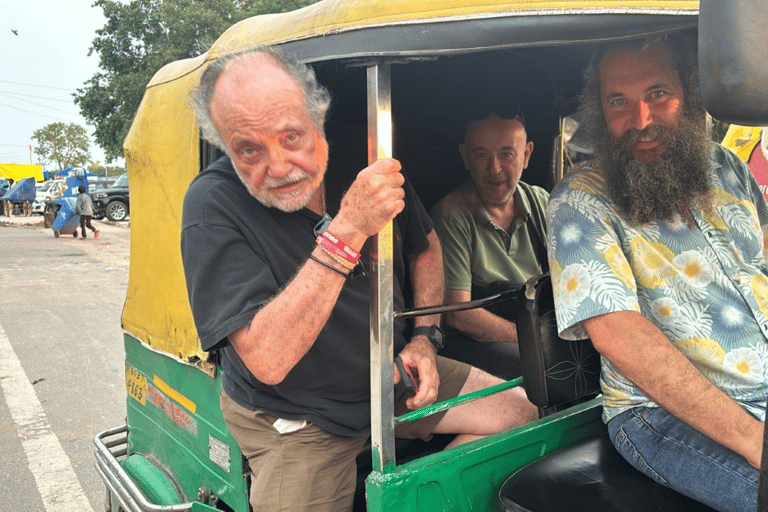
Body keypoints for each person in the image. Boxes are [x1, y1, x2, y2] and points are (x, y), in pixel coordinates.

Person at [180, 46, 537, 512]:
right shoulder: (211, 207)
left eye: (291, 137)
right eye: (248, 149)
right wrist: (346, 230)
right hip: (298, 416)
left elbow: (425, 250)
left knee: (521, 415)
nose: (279, 166)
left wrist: (425, 338)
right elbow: (268, 360)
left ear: (319, 117)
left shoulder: (365, 154)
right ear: (226, 145)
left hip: (389, 378)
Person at [546, 33, 766, 511]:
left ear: (688, 93)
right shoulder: (580, 202)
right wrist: (755, 440)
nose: (641, 120)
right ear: (599, 112)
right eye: (619, 101)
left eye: (658, 94)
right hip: (662, 414)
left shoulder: (728, 167)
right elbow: (619, 336)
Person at [430, 110, 548, 379]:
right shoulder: (450, 216)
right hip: (475, 338)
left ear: (527, 155)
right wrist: (536, 340)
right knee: (537, 367)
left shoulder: (542, 202)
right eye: (481, 154)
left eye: (507, 154)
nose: (494, 169)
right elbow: (458, 314)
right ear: (465, 156)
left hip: (535, 321)